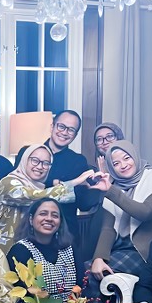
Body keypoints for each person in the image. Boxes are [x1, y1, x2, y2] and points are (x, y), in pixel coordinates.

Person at [89, 140, 152, 282]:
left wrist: (111, 191)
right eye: (116, 163)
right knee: (89, 270)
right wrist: (99, 258)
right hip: (120, 248)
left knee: (96, 277)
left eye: (127, 158)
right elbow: (108, 228)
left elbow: (146, 212)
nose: (123, 165)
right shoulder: (113, 186)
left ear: (135, 156)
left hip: (147, 251)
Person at [6, 198, 78, 303]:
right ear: (31, 219)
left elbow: (81, 286)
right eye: (43, 214)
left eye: (54, 215)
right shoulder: (20, 250)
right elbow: (24, 295)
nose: (49, 218)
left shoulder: (69, 249)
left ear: (60, 222)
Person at [0, 142, 78, 253]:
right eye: (35, 160)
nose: (40, 167)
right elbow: (32, 196)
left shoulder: (40, 188)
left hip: (30, 249)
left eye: (46, 163)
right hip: (3, 251)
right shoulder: (9, 182)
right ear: (25, 160)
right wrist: (75, 182)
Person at [44, 110, 103, 264]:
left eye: (71, 130)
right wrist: (65, 183)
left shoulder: (78, 161)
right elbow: (23, 188)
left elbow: (81, 201)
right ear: (52, 126)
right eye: (61, 126)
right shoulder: (29, 152)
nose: (65, 132)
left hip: (65, 232)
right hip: (30, 230)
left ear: (75, 135)